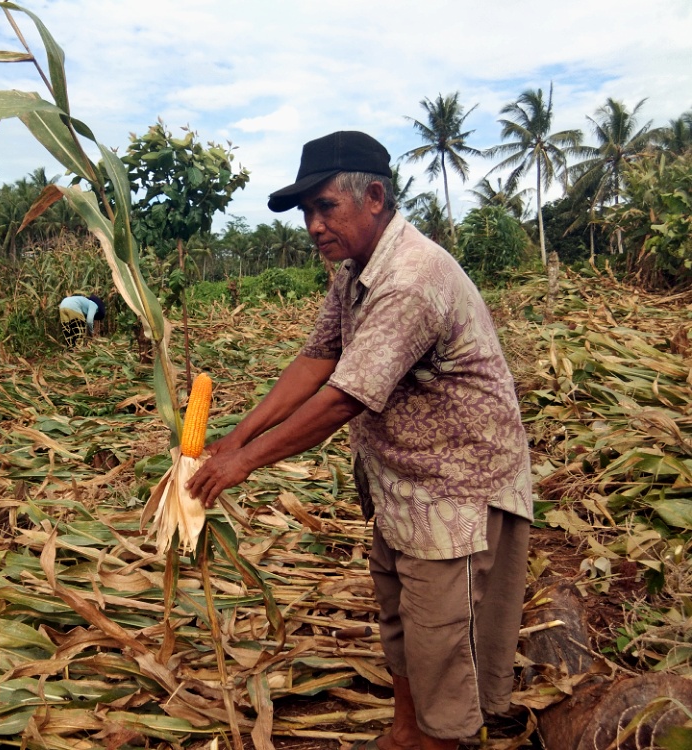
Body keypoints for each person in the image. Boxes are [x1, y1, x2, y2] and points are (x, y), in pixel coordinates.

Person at [186, 131, 533, 750]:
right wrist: (229, 439)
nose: (314, 225)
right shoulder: (354, 273)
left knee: (442, 637)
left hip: (458, 490)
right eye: (307, 213)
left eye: (326, 207)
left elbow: (342, 399)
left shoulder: (410, 279)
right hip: (403, 481)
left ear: (374, 196)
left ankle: (438, 740)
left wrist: (244, 463)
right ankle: (406, 731)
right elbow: (316, 361)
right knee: (402, 623)